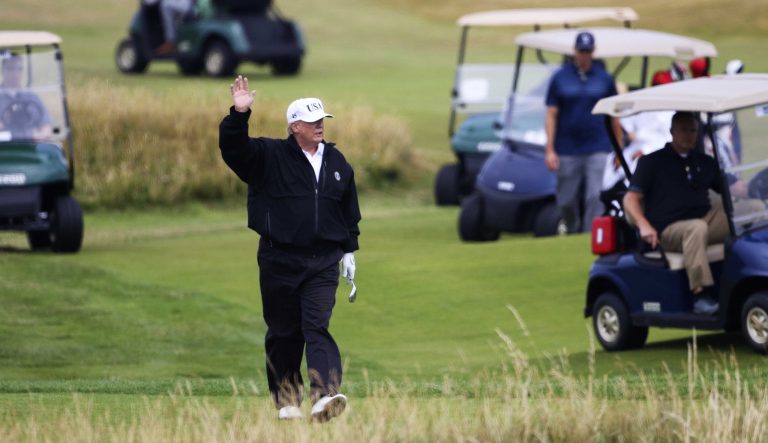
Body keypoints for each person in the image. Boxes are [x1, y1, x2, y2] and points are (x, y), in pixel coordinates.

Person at [219, 75, 361, 422]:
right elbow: (234, 150)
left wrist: (349, 250)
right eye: (312, 122)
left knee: (316, 326)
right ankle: (287, 400)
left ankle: (324, 397)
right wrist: (239, 114)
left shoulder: (337, 162)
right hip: (278, 258)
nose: (319, 127)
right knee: (284, 331)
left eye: (322, 121)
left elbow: (347, 209)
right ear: (294, 126)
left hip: (323, 261)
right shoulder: (268, 156)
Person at [623, 111, 728, 315]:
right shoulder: (652, 163)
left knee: (748, 213)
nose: (688, 135)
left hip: (703, 220)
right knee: (696, 229)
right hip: (667, 230)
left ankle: (747, 276)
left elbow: (731, 188)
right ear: (672, 132)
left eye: (692, 130)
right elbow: (630, 199)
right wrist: (643, 224)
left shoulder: (703, 162)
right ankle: (700, 295)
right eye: (683, 130)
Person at [545, 31, 623, 232]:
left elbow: (614, 115)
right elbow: (551, 114)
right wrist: (550, 149)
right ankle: (572, 229)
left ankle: (589, 236)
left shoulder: (604, 79)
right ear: (574, 51)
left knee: (594, 195)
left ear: (593, 52)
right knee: (566, 199)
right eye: (581, 51)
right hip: (567, 147)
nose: (584, 55)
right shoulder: (560, 78)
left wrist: (619, 149)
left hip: (597, 145)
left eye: (588, 51)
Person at [601, 70, 675, 191]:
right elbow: (624, 122)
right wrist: (626, 138)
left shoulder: (671, 113)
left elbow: (668, 141)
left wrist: (645, 150)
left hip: (656, 153)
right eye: (656, 86)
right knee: (609, 168)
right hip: (634, 148)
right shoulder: (644, 105)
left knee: (636, 169)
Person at [0, 53, 52, 140]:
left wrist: (41, 134)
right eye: (11, 69)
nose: (15, 73)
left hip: (30, 145)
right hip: (4, 147)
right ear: (3, 71)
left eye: (19, 69)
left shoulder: (32, 98)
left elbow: (46, 126)